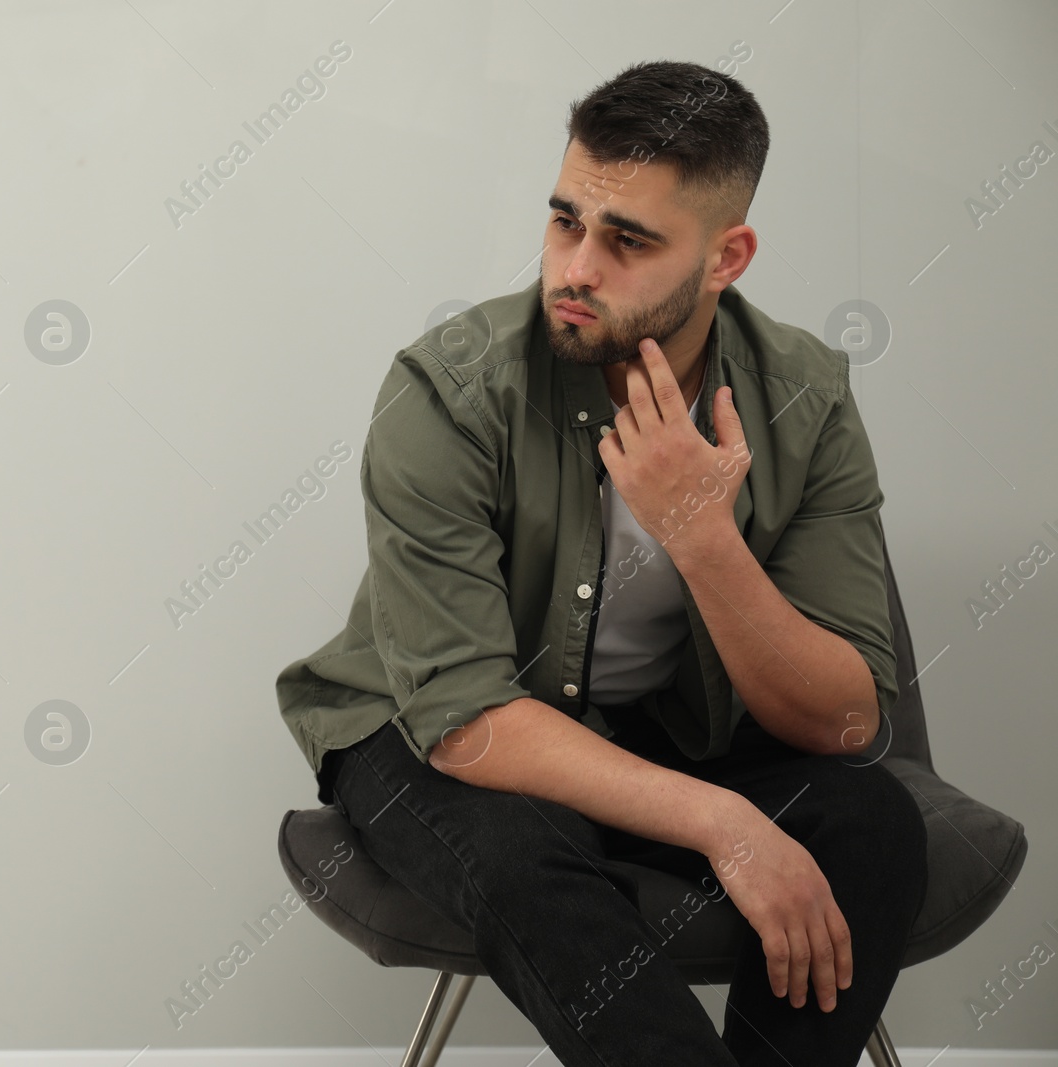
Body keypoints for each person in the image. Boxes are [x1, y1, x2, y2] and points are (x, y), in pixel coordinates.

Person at [274, 58, 928, 1066]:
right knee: (525, 855)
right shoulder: (449, 388)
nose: (575, 266)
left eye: (627, 240)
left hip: (672, 729)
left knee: (871, 823)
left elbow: (843, 717)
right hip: (425, 732)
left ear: (726, 257)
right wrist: (725, 822)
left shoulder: (804, 395)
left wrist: (703, 536)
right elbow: (461, 719)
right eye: (564, 220)